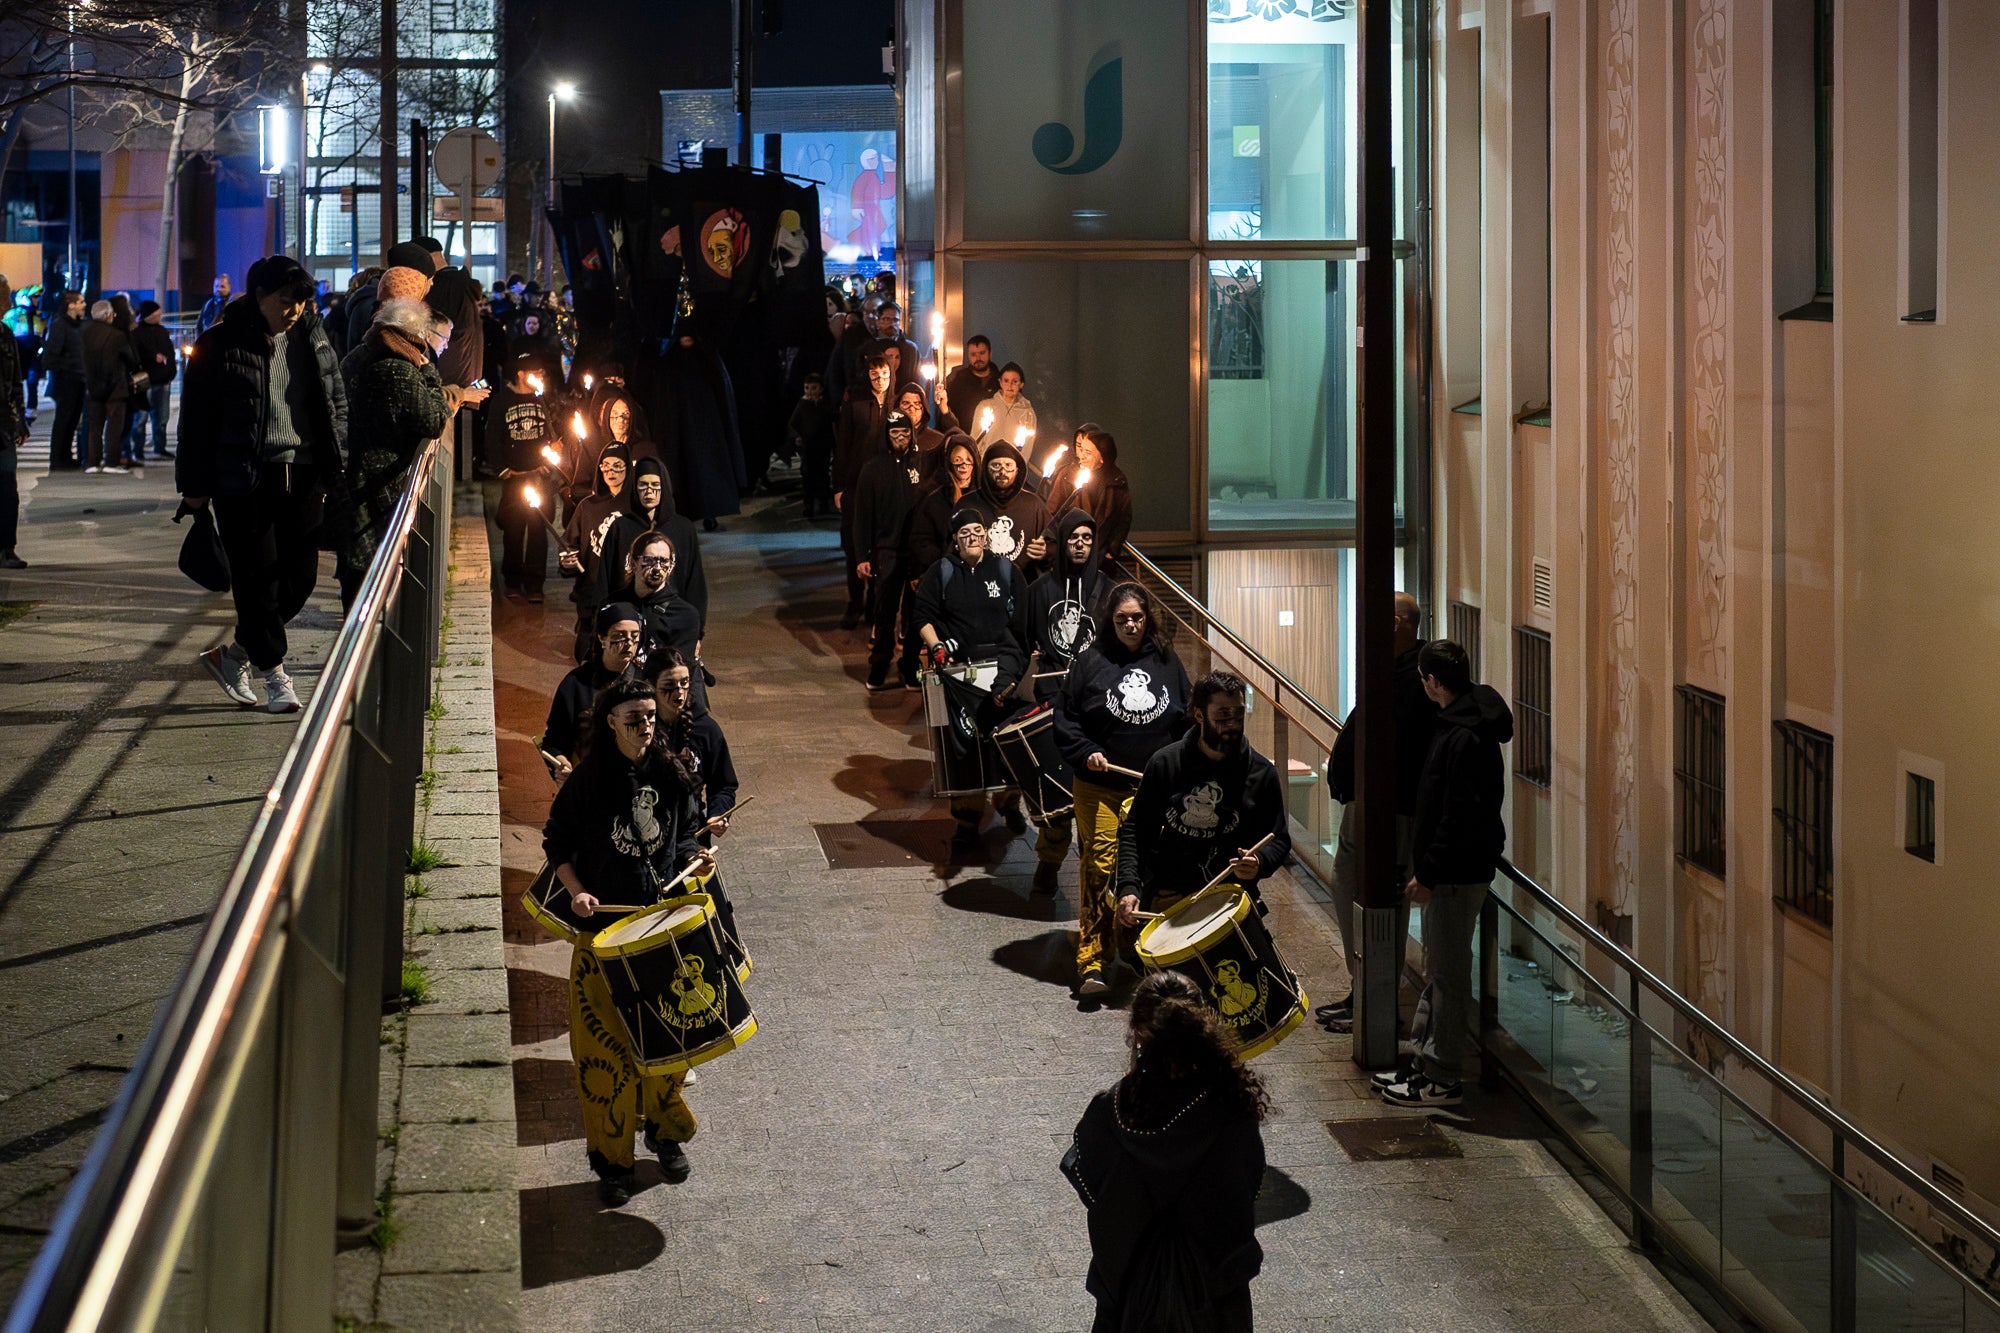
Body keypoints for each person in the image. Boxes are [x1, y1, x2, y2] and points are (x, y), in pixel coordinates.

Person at [542, 674, 714, 1204]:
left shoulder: (670, 773)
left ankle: (664, 1134)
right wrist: (575, 893)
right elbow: (557, 845)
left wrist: (694, 857)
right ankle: (612, 1164)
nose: (644, 725)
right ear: (609, 721)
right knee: (605, 1058)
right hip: (603, 935)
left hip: (661, 929)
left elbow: (686, 833)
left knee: (671, 1044)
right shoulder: (585, 784)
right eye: (633, 718)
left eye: (648, 717)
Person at [179, 254, 349, 714]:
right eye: (285, 299)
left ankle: (234, 655)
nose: (294, 309)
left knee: (300, 580)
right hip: (244, 478)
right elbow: (195, 422)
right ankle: (275, 676)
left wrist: (339, 462)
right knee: (256, 580)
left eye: (301, 300)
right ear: (258, 296)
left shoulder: (314, 339)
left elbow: (335, 404)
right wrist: (193, 487)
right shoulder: (220, 345)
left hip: (305, 473)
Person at [1062, 970, 1268, 1332]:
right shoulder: (1229, 1109)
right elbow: (1247, 1183)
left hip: (1127, 1297)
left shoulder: (1111, 1112)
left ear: (1138, 1035)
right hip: (1218, 1300)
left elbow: (1089, 1182)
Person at [1376, 639, 1513, 1109]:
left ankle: (1442, 1076)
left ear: (1434, 682)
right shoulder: (1465, 724)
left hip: (1455, 874)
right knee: (1440, 971)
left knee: (1448, 973)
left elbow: (1455, 815)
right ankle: (1425, 1062)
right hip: (1457, 870)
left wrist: (1429, 872)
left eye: (1423, 678)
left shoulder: (1463, 736)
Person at [1055, 583, 1191, 996]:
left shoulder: (1167, 661)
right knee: (1098, 868)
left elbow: (1185, 718)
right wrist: (1086, 752)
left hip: (1152, 791)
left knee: (1148, 873)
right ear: (1109, 622)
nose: (1130, 625)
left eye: (1137, 617)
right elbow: (1067, 719)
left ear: (1147, 618)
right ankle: (1092, 961)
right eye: (1121, 619)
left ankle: (1142, 951)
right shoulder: (1090, 662)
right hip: (1101, 786)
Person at [1321, 591, 1438, 1034]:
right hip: (1371, 804)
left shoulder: (1416, 674)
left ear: (1397, 623)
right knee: (1350, 887)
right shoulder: (1394, 668)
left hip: (1392, 809)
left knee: (1378, 900)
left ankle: (1375, 997)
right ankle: (1363, 987)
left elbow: (1401, 743)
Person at [335, 271, 484, 607]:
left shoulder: (362, 353)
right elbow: (433, 420)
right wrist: (428, 369)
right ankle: (375, 654)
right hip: (380, 486)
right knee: (371, 577)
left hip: (356, 480)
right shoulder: (399, 368)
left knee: (357, 572)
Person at [1115, 672, 1291, 925]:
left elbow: (1279, 839)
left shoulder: (1261, 773)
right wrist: (1129, 886)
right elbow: (1136, 830)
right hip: (1170, 892)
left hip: (1232, 897)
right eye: (1222, 715)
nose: (1232, 723)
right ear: (1199, 715)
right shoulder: (1165, 763)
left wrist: (1260, 862)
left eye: (1238, 714)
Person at [913, 508, 1030, 851]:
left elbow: (1022, 621)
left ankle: (1009, 804)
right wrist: (935, 645)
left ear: (987, 534)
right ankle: (966, 820)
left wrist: (1019, 664)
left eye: (977, 531)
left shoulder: (1007, 570)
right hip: (961, 673)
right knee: (964, 749)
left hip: (1003, 670)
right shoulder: (943, 571)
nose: (972, 538)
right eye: (964, 533)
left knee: (1007, 743)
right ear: (955, 540)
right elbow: (923, 615)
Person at [851, 410, 927, 691]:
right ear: (887, 435)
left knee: (915, 613)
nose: (900, 438)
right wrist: (862, 556)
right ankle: (879, 665)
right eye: (895, 433)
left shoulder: (921, 463)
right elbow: (862, 517)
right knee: (885, 613)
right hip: (886, 550)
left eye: (905, 433)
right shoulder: (873, 468)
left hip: (916, 553)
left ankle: (909, 668)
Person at [593, 456, 706, 635]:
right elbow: (604, 580)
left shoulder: (683, 528)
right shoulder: (620, 527)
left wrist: (697, 632)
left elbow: (695, 583)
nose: (649, 492)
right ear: (634, 488)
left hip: (672, 620)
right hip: (628, 621)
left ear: (664, 487)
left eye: (655, 485)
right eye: (643, 485)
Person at [541, 602, 642, 773]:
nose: (629, 643)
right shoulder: (575, 683)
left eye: (635, 636)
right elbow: (554, 743)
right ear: (602, 638)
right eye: (620, 636)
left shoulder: (646, 679)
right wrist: (562, 764)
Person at [486, 353, 555, 601]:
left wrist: (550, 462)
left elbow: (554, 430)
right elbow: (493, 437)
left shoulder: (543, 399)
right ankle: (513, 581)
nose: (539, 377)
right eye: (534, 372)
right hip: (515, 478)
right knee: (513, 530)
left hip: (539, 476)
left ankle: (535, 584)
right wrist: (503, 469)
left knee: (539, 528)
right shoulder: (503, 401)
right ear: (521, 375)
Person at [833, 353, 892, 627]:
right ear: (868, 376)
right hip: (856, 484)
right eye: (875, 375)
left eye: (884, 375)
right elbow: (843, 445)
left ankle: (873, 604)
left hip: (884, 487)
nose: (880, 380)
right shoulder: (856, 404)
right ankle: (855, 601)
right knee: (853, 544)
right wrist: (839, 486)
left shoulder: (895, 404)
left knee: (880, 545)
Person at [626, 530, 709, 716]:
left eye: (663, 561)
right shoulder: (616, 606)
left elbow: (679, 676)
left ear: (671, 567)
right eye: (649, 560)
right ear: (634, 562)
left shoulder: (684, 615)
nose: (657, 568)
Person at [560, 442, 632, 643]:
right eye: (605, 465)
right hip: (591, 592)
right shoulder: (588, 506)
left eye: (617, 465)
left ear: (628, 468)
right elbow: (569, 543)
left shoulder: (635, 507)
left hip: (624, 593)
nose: (611, 471)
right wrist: (567, 560)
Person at [1047, 426, 1133, 560]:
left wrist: (1112, 549)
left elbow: (1123, 518)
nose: (1081, 456)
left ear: (1102, 457)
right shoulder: (1067, 475)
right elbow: (1051, 513)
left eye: (1088, 452)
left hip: (1100, 558)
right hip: (1069, 555)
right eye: (1080, 450)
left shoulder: (1117, 480)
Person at [965, 440, 1050, 573]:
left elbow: (1054, 543)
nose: (1002, 471)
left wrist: (1045, 552)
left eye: (1008, 465)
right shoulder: (968, 504)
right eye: (996, 465)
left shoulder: (1033, 505)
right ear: (986, 468)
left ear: (1017, 470)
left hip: (1020, 586)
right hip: (975, 583)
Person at [82, 299, 140, 474]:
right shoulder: (117, 336)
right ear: (108, 315)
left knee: (94, 425)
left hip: (91, 385)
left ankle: (92, 462)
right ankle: (111, 462)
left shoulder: (83, 333)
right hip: (115, 386)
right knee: (114, 425)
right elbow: (132, 361)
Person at [42, 291, 87, 471]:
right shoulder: (61, 325)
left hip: (76, 379)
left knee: (71, 419)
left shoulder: (75, 325)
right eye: (81, 301)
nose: (84, 304)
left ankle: (66, 456)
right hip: (67, 380)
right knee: (64, 420)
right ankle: (58, 458)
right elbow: (51, 356)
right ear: (71, 305)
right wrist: (69, 368)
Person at [132, 300, 178, 460]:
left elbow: (170, 353)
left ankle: (160, 447)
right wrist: (153, 358)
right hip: (146, 380)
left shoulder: (162, 332)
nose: (159, 316)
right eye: (156, 314)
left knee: (161, 417)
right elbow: (136, 356)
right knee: (141, 417)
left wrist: (171, 371)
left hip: (163, 380)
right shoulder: (137, 334)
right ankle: (138, 449)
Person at [788, 372, 836, 518]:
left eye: (813, 388)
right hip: (808, 446)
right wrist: (797, 436)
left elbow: (832, 421)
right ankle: (808, 505)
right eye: (807, 388)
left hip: (823, 445)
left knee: (823, 475)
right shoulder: (803, 404)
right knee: (808, 476)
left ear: (821, 388)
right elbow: (793, 424)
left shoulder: (825, 404)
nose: (810, 392)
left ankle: (823, 503)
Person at [972, 362, 1036, 459]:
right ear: (1000, 382)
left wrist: (1017, 465)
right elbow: (975, 437)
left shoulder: (1027, 412)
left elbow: (1027, 446)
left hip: (1011, 465)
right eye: (1006, 381)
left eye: (1014, 381)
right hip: (986, 461)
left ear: (1021, 384)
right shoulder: (986, 406)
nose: (1010, 385)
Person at [0, 320, 24, 568]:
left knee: (8, 488)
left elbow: (15, 381)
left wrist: (20, 420)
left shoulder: (5, 332)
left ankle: (7, 548)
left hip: (4, 423)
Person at [943, 334, 998, 430]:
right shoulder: (958, 380)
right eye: (973, 354)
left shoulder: (1000, 381)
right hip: (964, 436)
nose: (978, 358)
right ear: (968, 355)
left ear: (990, 353)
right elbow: (947, 410)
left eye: (982, 353)